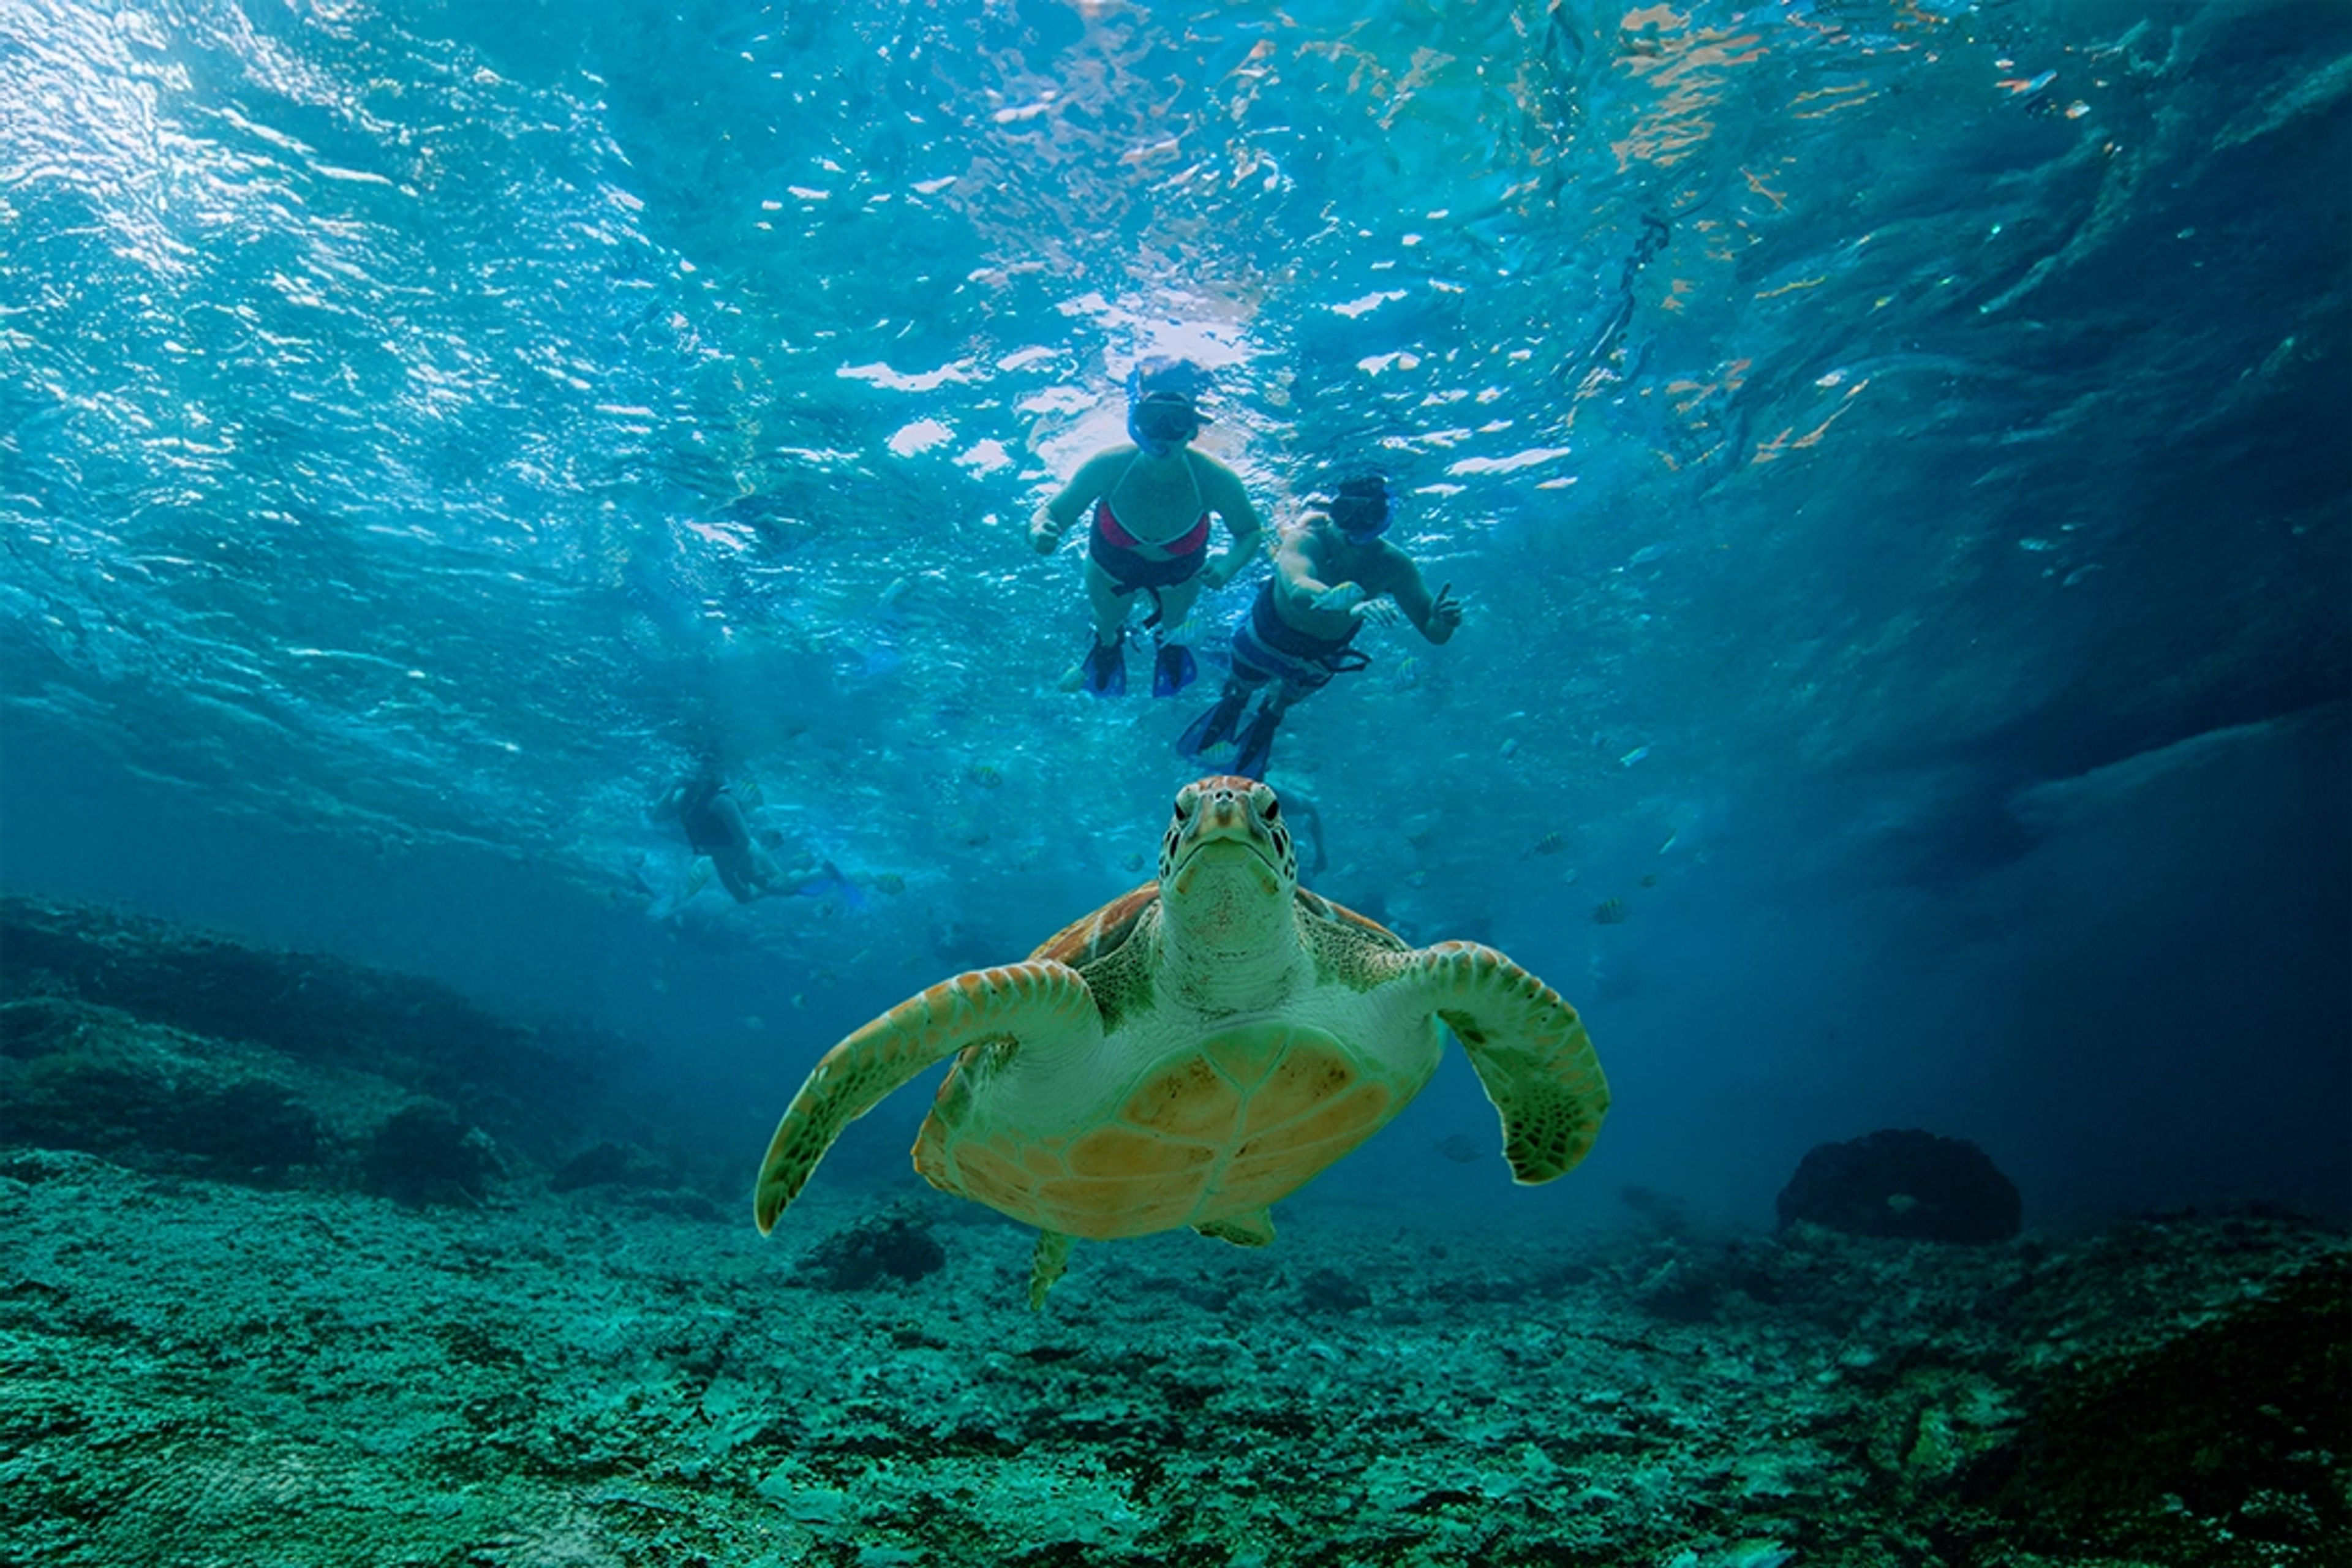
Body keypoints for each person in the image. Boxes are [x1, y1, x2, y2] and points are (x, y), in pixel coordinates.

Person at [1177, 473, 1463, 779]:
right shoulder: (1306, 538)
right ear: (1333, 510)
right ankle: (1236, 702)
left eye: (1370, 514)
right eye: (1346, 511)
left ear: (1385, 518)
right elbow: (1299, 589)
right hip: (1265, 638)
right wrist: (1353, 605)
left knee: (1282, 702)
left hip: (1319, 658)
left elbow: (1434, 633)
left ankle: (1269, 717)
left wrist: (1444, 621)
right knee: (1241, 686)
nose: (1354, 523)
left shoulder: (1395, 565)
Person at [1028, 358, 1266, 698]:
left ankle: (1167, 645)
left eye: (1177, 422)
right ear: (1135, 424)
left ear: (1193, 429)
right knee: (1107, 623)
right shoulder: (1109, 466)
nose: (1163, 433)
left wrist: (1229, 566)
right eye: (1152, 421)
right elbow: (1052, 512)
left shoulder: (1214, 479)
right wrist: (1041, 531)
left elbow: (1250, 531)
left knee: (1173, 625)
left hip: (1179, 573)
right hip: (1111, 568)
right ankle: (1109, 644)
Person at [651, 769, 839, 905]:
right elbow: (658, 815)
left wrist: (745, 867)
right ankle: (791, 878)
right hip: (722, 860)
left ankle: (827, 872)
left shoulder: (721, 801)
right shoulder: (688, 798)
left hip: (746, 856)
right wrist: (673, 785)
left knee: (784, 888)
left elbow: (744, 838)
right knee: (743, 897)